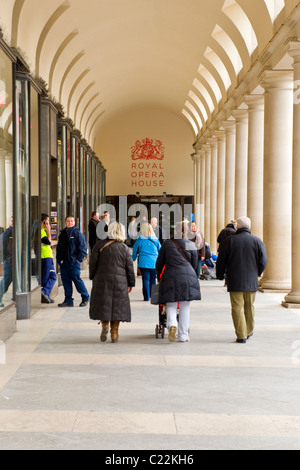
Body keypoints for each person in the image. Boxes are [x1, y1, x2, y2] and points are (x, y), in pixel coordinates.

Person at [216, 216, 267, 344]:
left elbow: (221, 261)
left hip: (235, 280)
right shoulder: (257, 241)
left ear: (237, 227)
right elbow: (263, 260)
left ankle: (241, 334)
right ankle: (249, 331)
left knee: (237, 308)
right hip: (251, 280)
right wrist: (258, 272)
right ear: (249, 227)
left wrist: (220, 274)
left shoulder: (229, 241)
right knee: (249, 306)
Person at [89, 222, 135, 343]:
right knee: (117, 306)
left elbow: (92, 263)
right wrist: (131, 283)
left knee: (105, 303)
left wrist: (92, 276)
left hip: (101, 279)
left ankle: (105, 325)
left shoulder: (99, 244)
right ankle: (114, 333)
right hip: (120, 281)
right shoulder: (124, 248)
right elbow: (129, 267)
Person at [156, 221, 201, 342]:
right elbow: (195, 264)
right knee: (185, 306)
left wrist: (158, 276)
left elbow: (159, 262)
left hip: (170, 276)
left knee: (170, 303)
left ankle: (172, 325)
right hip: (187, 277)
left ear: (175, 231)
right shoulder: (190, 244)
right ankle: (183, 335)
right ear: (186, 232)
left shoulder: (167, 244)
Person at [56, 215, 90, 307]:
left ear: (74, 222)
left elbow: (83, 249)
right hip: (64, 263)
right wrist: (59, 260)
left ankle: (85, 297)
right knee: (66, 282)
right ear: (65, 222)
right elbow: (59, 248)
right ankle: (68, 300)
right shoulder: (62, 234)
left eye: (72, 221)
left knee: (77, 281)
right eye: (68, 221)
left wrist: (78, 260)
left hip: (74, 263)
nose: (70, 222)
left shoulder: (77, 234)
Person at [132, 223, 161, 301]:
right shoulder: (155, 239)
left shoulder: (140, 239)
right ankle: (154, 297)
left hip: (143, 262)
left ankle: (146, 297)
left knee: (145, 279)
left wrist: (133, 259)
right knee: (153, 279)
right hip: (154, 262)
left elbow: (135, 250)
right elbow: (160, 249)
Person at [41, 213, 57, 304]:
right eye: (47, 222)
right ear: (44, 222)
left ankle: (45, 293)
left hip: (48, 256)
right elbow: (48, 242)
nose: (49, 224)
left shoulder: (42, 231)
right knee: (50, 277)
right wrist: (49, 231)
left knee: (51, 276)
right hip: (45, 257)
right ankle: (44, 292)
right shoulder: (42, 231)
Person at [0, 216, 13, 308]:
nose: (13, 222)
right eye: (12, 220)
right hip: (9, 262)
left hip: (16, 262)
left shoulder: (18, 232)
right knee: (6, 280)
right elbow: (2, 247)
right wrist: (3, 260)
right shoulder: (7, 233)